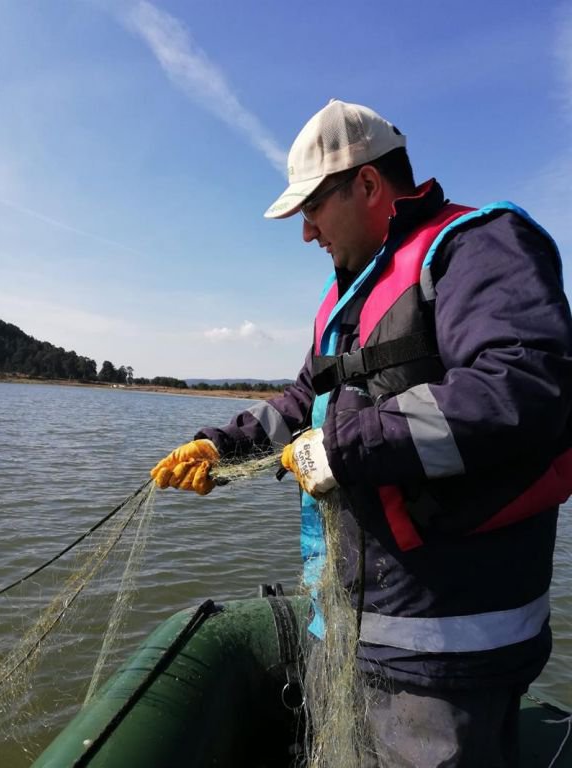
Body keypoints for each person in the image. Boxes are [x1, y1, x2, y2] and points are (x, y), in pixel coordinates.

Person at [151, 99, 572, 767]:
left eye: (313, 209)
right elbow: (304, 402)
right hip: (352, 626)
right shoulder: (350, 293)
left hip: (447, 651)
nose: (307, 234)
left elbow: (522, 391)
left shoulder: (479, 247)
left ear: (368, 185)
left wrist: (344, 450)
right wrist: (219, 444)